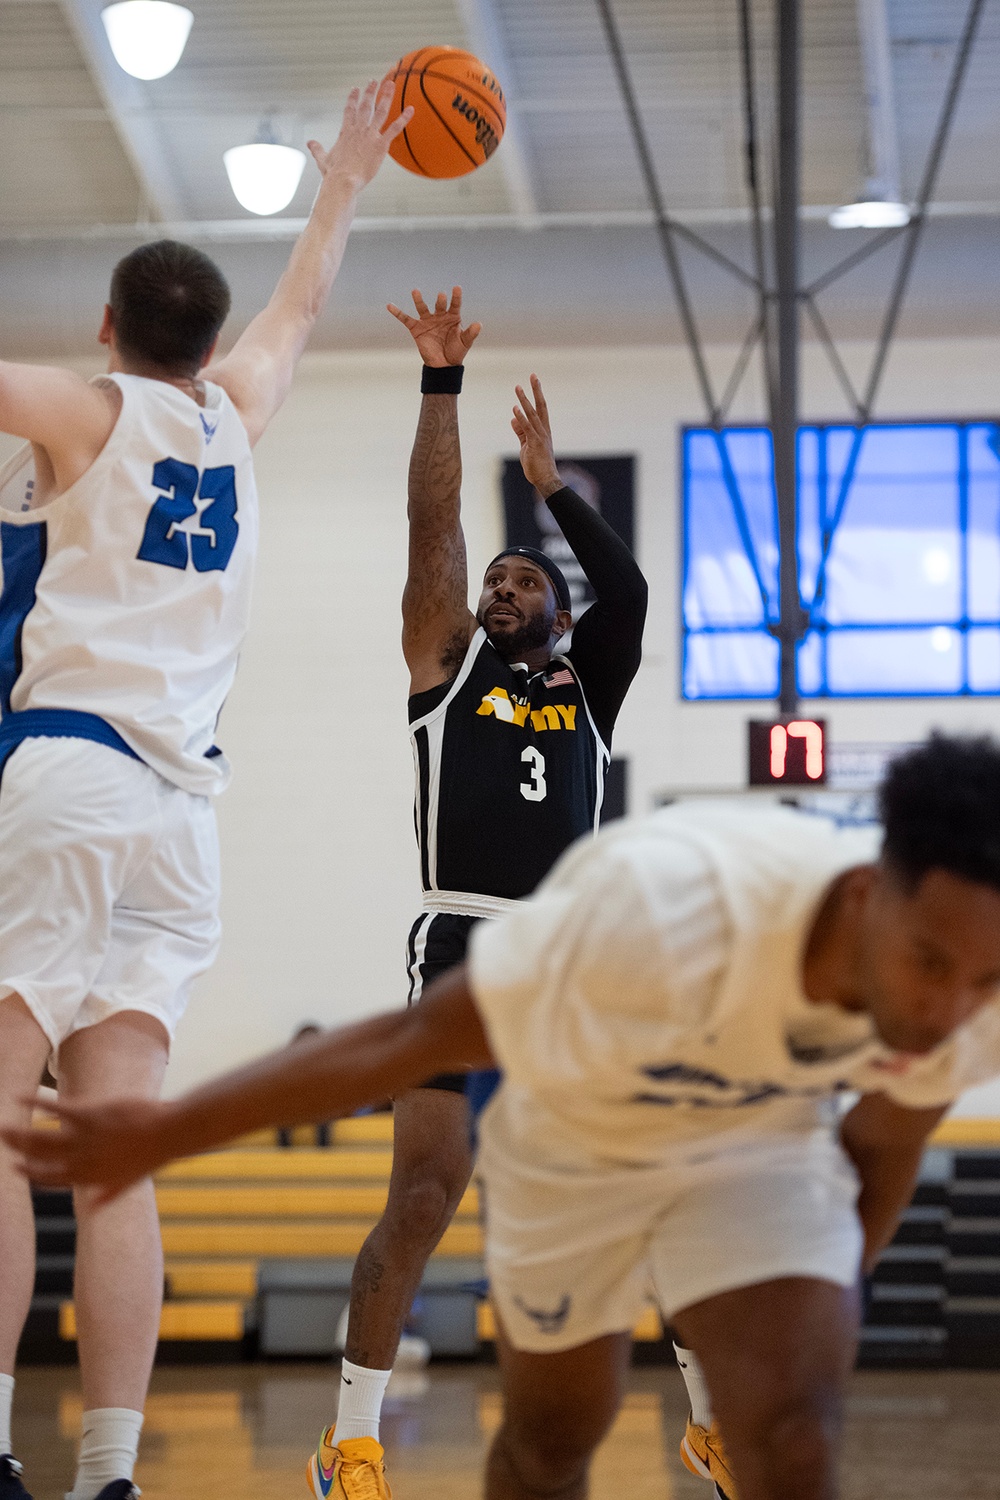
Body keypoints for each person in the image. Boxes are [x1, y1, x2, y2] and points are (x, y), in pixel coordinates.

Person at [10, 733, 1000, 1500]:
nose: (948, 1006)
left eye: (982, 980)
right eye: (927, 965)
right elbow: (404, 1044)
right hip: (577, 1135)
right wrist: (163, 1130)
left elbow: (883, 1143)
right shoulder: (663, 906)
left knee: (792, 1434)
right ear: (869, 895)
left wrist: (818, 1297)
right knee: (552, 1441)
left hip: (757, 1140)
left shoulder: (971, 990)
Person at [0, 80, 412, 1500]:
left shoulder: (82, 406)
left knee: (0, 1122)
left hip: (72, 769)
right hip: (184, 821)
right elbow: (297, 312)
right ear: (204, 341)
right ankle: (112, 1473)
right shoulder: (236, 410)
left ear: (111, 329)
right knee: (119, 1153)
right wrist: (344, 182)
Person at [310, 288, 647, 1496]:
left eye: (522, 581)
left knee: (633, 1188)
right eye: (491, 582)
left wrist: (551, 485)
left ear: (556, 609)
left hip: (566, 957)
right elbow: (432, 524)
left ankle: (702, 1418)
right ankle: (350, 1441)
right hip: (459, 945)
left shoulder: (587, 690)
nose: (499, 588)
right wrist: (441, 389)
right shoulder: (444, 672)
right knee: (419, 1198)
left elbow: (634, 596)